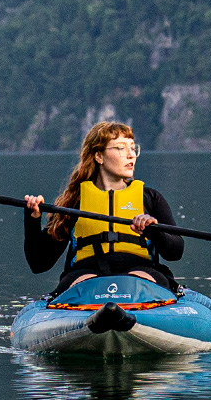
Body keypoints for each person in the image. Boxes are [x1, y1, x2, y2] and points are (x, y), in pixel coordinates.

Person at [23, 121, 183, 296]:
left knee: (137, 280)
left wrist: (153, 230)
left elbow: (175, 251)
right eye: (121, 148)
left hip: (140, 272)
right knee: (83, 283)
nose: (131, 155)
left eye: (133, 148)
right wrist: (32, 219)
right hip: (85, 275)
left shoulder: (151, 199)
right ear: (99, 156)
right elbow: (39, 264)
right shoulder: (74, 202)